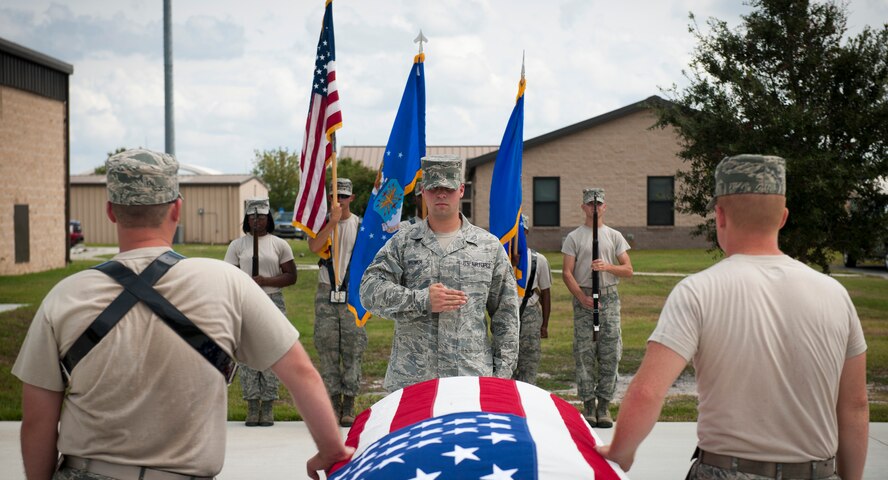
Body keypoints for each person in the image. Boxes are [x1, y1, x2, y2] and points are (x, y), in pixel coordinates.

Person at [12, 148, 350, 480]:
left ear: (111, 212)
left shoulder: (65, 296)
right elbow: (301, 373)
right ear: (177, 209)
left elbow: (38, 420)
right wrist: (332, 448)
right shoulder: (228, 283)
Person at [599, 155, 869, 479]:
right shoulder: (835, 294)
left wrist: (620, 453)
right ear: (783, 218)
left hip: (725, 470)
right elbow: (855, 404)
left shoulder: (698, 291)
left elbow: (647, 391)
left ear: (720, 215)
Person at [360, 154, 520, 392]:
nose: (441, 194)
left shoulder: (488, 246)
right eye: (434, 188)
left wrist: (500, 378)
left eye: (448, 187)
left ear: (461, 190)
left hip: (470, 380)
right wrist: (421, 299)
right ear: (423, 191)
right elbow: (369, 291)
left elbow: (506, 315)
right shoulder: (403, 242)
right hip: (413, 380)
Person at [561, 187, 633, 428]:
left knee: (611, 351)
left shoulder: (614, 236)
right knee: (584, 352)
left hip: (609, 298)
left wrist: (608, 267)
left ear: (604, 207)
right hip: (584, 297)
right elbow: (567, 273)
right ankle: (588, 404)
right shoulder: (574, 237)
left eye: (598, 204)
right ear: (583, 207)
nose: (594, 208)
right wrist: (581, 297)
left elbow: (628, 269)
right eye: (590, 204)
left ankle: (604, 404)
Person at [224, 197, 297, 427]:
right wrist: (246, 283)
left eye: (262, 216)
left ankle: (267, 405)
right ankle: (252, 404)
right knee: (247, 352)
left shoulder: (279, 244)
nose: (257, 221)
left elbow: (291, 276)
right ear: (246, 219)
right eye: (252, 217)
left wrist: (265, 280)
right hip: (246, 300)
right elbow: (229, 275)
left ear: (269, 218)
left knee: (272, 351)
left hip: (273, 300)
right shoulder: (238, 245)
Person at [308, 178, 366, 427]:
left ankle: (349, 404)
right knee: (327, 348)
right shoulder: (323, 224)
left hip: (352, 294)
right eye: (336, 196)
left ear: (351, 198)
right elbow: (314, 247)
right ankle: (333, 402)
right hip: (326, 293)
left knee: (353, 349)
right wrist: (331, 222)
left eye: (344, 196)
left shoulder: (361, 225)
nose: (340, 201)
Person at [513, 214, 552, 385]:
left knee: (529, 361)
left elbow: (546, 293)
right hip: (508, 314)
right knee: (506, 363)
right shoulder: (501, 258)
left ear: (526, 232)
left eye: (520, 231)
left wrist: (544, 324)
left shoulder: (539, 260)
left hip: (530, 314)